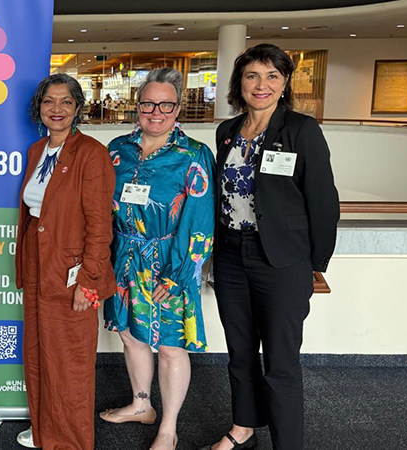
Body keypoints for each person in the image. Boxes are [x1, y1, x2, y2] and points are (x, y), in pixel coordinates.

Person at [199, 43, 339, 450]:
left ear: (285, 83)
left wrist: (315, 264)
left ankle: (287, 444)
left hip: (281, 261)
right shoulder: (227, 132)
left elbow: (323, 201)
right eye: (252, 76)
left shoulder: (301, 129)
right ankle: (243, 428)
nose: (261, 85)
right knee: (239, 353)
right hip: (230, 256)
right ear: (239, 83)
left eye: (272, 76)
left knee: (280, 363)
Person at [100, 67, 215, 450]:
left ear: (178, 108)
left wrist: (180, 274)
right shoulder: (117, 149)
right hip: (123, 257)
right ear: (137, 106)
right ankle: (141, 405)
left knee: (169, 344)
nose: (156, 111)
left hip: (169, 261)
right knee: (131, 337)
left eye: (166, 104)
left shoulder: (193, 155)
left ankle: (168, 426)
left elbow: (200, 221)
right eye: (148, 103)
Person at [14, 73, 116, 450]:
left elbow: (100, 225)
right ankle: (45, 430)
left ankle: (71, 442)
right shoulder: (37, 150)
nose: (56, 110)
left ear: (77, 109)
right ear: (38, 108)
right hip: (38, 264)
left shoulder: (91, 153)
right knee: (39, 354)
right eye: (48, 102)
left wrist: (88, 281)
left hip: (72, 269)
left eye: (65, 102)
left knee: (69, 361)